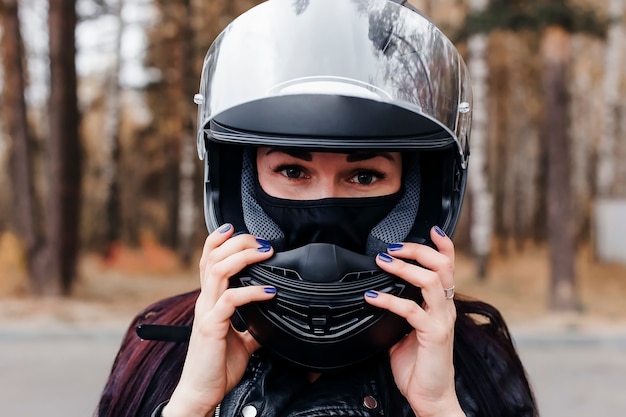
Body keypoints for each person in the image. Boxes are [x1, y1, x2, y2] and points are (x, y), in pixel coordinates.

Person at [96, 1, 538, 416]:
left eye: (364, 176)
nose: (324, 212)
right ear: (236, 190)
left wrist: (439, 405)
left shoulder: (477, 363)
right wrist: (191, 401)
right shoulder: (159, 351)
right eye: (292, 171)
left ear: (421, 199)